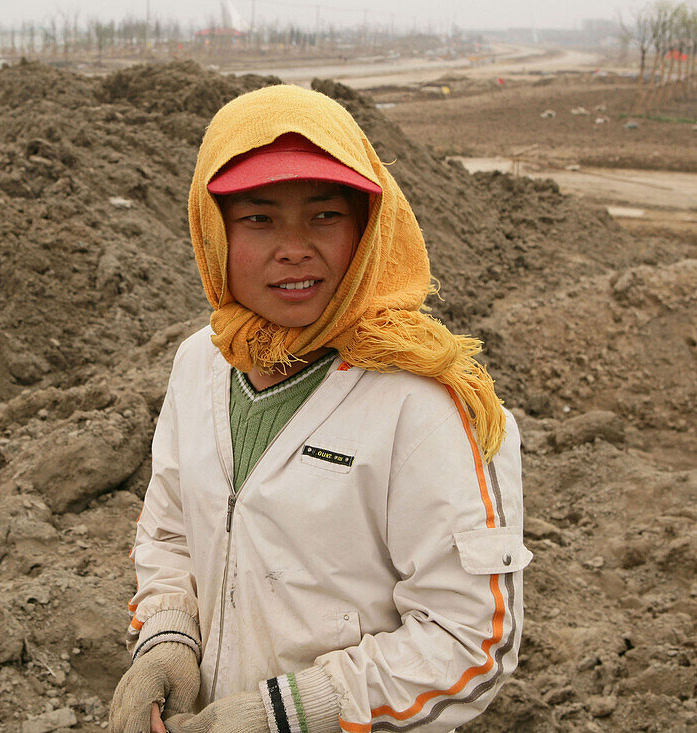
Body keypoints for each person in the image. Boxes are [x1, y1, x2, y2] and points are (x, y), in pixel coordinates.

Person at [108, 84, 531, 733]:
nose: (295, 247)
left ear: (368, 225)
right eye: (259, 218)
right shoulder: (201, 362)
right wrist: (167, 645)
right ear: (213, 230)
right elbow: (169, 535)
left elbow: (469, 638)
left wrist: (280, 715)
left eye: (325, 215)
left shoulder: (424, 400)